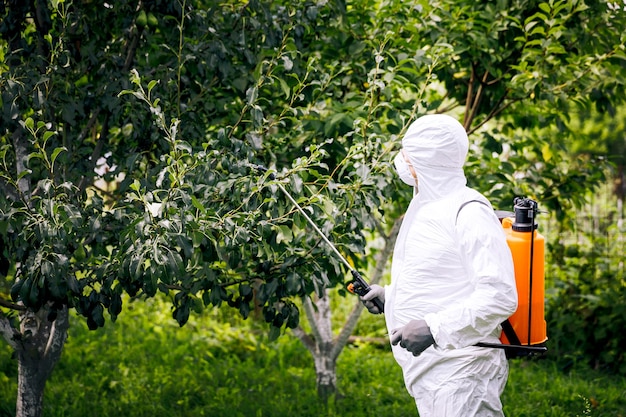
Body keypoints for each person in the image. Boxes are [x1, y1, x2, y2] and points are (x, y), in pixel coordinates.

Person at [361, 114, 518, 416]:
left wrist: (434, 328)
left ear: (425, 161)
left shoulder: (468, 211)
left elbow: (499, 295)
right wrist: (390, 297)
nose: (402, 163)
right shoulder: (427, 206)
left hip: (463, 372)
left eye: (407, 156)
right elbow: (438, 277)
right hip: (432, 371)